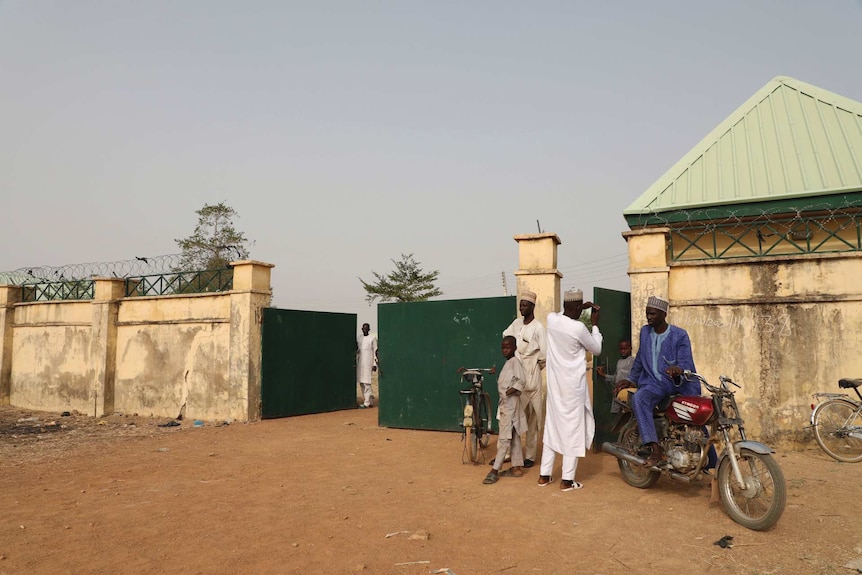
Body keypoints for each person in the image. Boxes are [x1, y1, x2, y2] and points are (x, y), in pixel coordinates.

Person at [617, 296, 698, 467]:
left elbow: (686, 362)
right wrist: (630, 379)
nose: (649, 317)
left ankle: (708, 462)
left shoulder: (679, 335)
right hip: (652, 383)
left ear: (663, 313)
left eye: (653, 314)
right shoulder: (645, 332)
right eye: (647, 314)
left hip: (672, 382)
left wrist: (678, 369)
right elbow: (640, 358)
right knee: (640, 398)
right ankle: (655, 449)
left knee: (696, 416)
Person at [538, 288, 602, 492]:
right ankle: (567, 480)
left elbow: (559, 313)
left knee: (552, 428)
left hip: (556, 388)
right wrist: (594, 325)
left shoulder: (552, 320)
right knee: (573, 431)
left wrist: (576, 305)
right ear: (576, 307)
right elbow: (597, 349)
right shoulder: (578, 328)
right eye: (579, 307)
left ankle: (544, 475)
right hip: (573, 389)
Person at [502, 290, 546, 468]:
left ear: (532, 307)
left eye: (525, 305)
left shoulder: (538, 328)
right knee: (512, 417)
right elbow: (506, 335)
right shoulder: (516, 324)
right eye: (520, 305)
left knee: (532, 420)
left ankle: (529, 456)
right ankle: (507, 453)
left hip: (532, 377)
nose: (521, 308)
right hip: (516, 376)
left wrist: (531, 367)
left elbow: (544, 356)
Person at [483, 336, 528, 485]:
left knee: (504, 437)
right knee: (513, 435)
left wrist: (509, 392)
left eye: (507, 347)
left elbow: (521, 381)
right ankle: (516, 467)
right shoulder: (509, 363)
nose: (504, 350)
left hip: (510, 404)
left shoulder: (515, 362)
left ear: (514, 348)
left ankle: (495, 470)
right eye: (503, 347)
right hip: (507, 404)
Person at [596, 339, 634, 413]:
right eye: (621, 349)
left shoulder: (632, 361)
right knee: (616, 413)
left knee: (626, 413)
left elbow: (633, 378)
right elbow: (615, 378)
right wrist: (603, 374)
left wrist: (624, 386)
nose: (623, 351)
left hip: (626, 393)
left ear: (630, 349)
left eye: (625, 349)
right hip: (617, 393)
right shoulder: (619, 362)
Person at [357, 323, 378, 408]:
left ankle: (366, 403)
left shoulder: (372, 338)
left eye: (366, 328)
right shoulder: (359, 338)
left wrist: (374, 364)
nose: (364, 330)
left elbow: (375, 352)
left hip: (368, 363)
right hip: (360, 363)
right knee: (361, 382)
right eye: (363, 328)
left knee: (367, 383)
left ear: (369, 329)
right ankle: (370, 401)